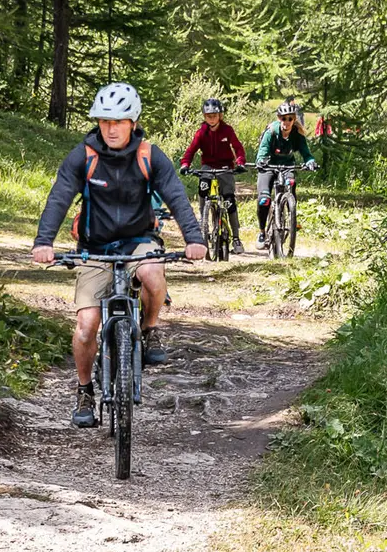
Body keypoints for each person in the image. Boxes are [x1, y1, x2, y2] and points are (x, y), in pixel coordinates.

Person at [32, 81, 207, 427]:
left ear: (133, 122)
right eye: (104, 121)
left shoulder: (149, 155)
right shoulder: (83, 155)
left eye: (119, 121)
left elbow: (175, 195)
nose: (111, 128)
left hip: (139, 240)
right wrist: (44, 241)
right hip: (94, 248)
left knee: (153, 275)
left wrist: (194, 238)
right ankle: (84, 392)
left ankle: (151, 327)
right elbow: (59, 197)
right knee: (86, 327)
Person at [179, 97, 247, 255]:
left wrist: (240, 162)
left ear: (220, 115)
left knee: (229, 201)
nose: (212, 119)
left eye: (215, 115)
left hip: (225, 167)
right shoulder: (201, 133)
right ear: (204, 116)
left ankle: (236, 238)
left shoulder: (227, 130)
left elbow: (238, 148)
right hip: (208, 167)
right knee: (203, 188)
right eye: (208, 116)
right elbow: (191, 150)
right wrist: (185, 164)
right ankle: (203, 223)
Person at [254, 100, 317, 250]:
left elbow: (306, 153)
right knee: (264, 200)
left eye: (290, 118)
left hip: (287, 166)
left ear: (294, 120)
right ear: (279, 118)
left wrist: (310, 161)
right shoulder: (272, 132)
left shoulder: (297, 134)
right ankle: (262, 231)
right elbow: (262, 151)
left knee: (291, 183)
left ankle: (291, 216)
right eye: (283, 118)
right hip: (268, 166)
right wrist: (261, 160)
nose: (286, 122)